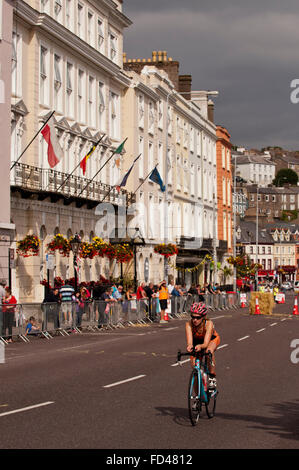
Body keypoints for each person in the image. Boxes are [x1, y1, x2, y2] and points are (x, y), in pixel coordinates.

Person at [185, 302, 220, 389]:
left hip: (211, 340)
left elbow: (206, 343)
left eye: (198, 317)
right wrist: (190, 346)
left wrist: (201, 346)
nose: (195, 320)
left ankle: (212, 376)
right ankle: (197, 398)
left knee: (208, 351)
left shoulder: (208, 323)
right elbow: (190, 341)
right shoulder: (188, 324)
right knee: (195, 371)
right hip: (197, 341)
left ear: (203, 317)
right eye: (193, 317)